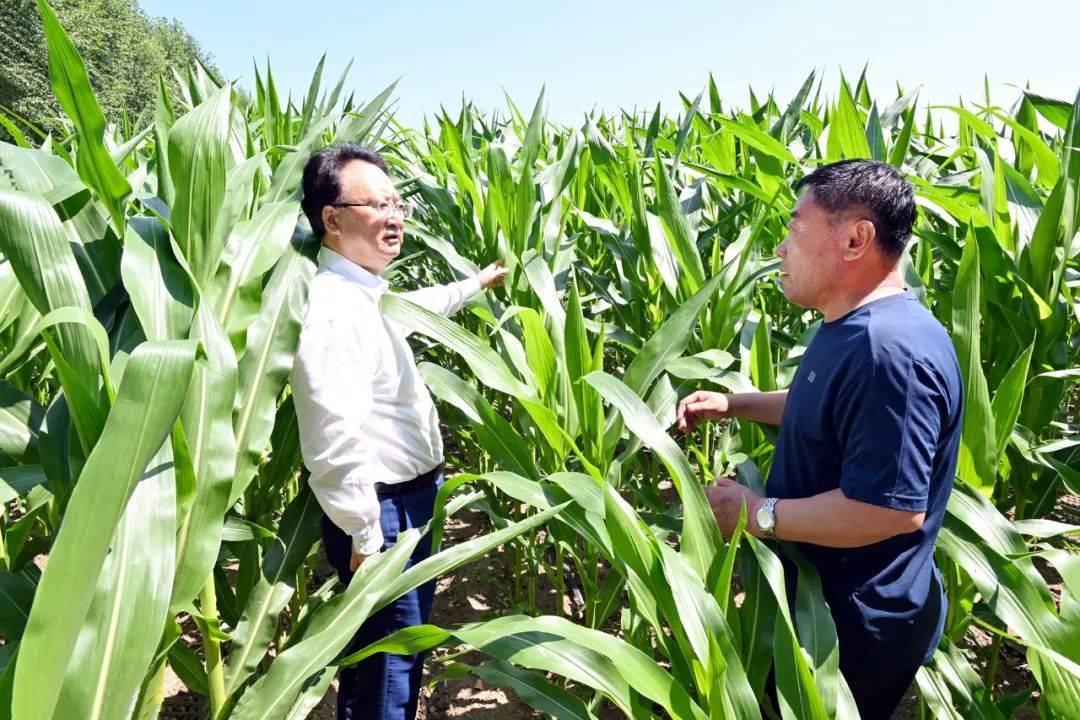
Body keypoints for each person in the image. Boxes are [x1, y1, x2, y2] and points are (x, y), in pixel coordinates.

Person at [676, 159, 962, 720]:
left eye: (794, 228)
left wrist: (758, 514)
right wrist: (734, 403)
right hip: (818, 605)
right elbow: (825, 406)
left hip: (848, 630)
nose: (781, 248)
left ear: (856, 238)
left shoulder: (890, 353)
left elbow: (886, 510)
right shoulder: (854, 327)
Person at [291, 142, 506, 720]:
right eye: (377, 204)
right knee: (387, 665)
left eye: (398, 203)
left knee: (385, 659)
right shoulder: (333, 308)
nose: (395, 217)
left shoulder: (364, 292)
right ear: (331, 219)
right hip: (381, 516)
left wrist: (474, 285)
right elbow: (331, 437)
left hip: (406, 506)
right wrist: (366, 539)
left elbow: (413, 305)